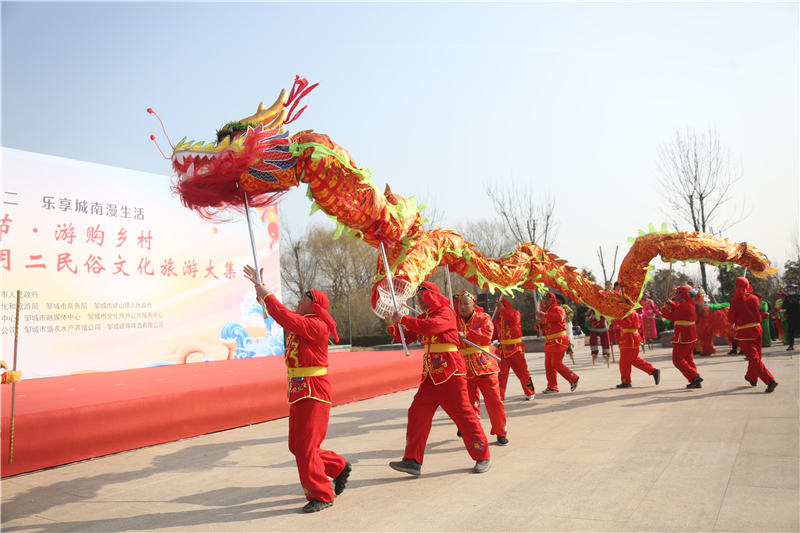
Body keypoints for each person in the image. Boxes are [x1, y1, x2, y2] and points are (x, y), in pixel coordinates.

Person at [243, 265, 350, 513]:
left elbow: (284, 317)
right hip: (300, 390)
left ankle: (322, 494)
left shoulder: (317, 325)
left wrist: (267, 294)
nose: (299, 301)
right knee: (297, 446)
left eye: (303, 298)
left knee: (305, 447)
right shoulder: (304, 321)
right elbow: (282, 315)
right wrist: (262, 292)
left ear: (314, 305)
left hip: (314, 391)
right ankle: (337, 466)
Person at [385, 281, 491, 475]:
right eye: (417, 296)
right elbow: (407, 337)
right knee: (416, 413)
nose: (417, 299)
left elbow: (430, 328)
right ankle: (412, 460)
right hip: (430, 376)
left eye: (420, 296)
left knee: (464, 414)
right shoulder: (424, 316)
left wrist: (405, 319)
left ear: (431, 296)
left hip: (450, 372)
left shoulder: (445, 312)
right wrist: (394, 325)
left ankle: (482, 454)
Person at [456, 291, 509, 446]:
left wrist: (465, 334)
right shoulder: (453, 320)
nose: (463, 306)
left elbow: (486, 336)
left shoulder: (483, 317)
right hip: (463, 367)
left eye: (466, 303)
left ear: (474, 305)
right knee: (465, 402)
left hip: (484, 365)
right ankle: (467, 427)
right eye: (460, 303)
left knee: (494, 400)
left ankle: (500, 431)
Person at [728, 277, 778, 393]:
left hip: (745, 332)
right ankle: (752, 377)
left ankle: (770, 380)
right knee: (756, 356)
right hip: (757, 329)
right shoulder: (755, 298)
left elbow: (731, 319)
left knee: (753, 358)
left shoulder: (735, 302)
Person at [492, 297, 535, 401]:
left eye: (500, 303)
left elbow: (514, 318)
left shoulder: (515, 313)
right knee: (501, 375)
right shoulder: (497, 319)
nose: (497, 306)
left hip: (515, 349)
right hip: (502, 350)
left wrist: (502, 308)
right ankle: (500, 396)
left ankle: (530, 391)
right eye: (496, 304)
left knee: (522, 372)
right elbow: (493, 335)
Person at [536, 292, 579, 393]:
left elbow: (559, 318)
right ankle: (552, 386)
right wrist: (538, 324)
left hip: (559, 341)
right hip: (549, 342)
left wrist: (544, 315)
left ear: (553, 300)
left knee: (556, 363)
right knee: (548, 365)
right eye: (544, 299)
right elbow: (539, 327)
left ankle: (573, 378)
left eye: (547, 299)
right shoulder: (543, 312)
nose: (545, 301)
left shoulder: (559, 309)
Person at [661, 286, 703, 388]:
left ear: (682, 294)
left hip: (683, 336)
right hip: (690, 336)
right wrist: (670, 304)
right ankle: (694, 380)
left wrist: (663, 309)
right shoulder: (687, 304)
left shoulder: (685, 305)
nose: (675, 296)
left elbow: (673, 317)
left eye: (677, 294)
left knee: (678, 359)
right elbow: (677, 311)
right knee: (688, 359)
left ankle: (694, 377)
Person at [615, 310, 660, 388]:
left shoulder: (628, 311)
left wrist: (616, 319)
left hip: (629, 338)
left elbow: (627, 324)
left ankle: (626, 381)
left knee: (624, 361)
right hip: (631, 337)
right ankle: (652, 370)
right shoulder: (629, 311)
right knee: (634, 359)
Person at [782, 284, 800, 350]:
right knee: (790, 332)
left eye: (792, 289)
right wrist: (789, 303)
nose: (791, 290)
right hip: (791, 316)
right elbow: (784, 306)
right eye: (790, 289)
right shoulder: (787, 298)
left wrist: (796, 302)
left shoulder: (798, 296)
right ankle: (791, 345)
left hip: (798, 316)